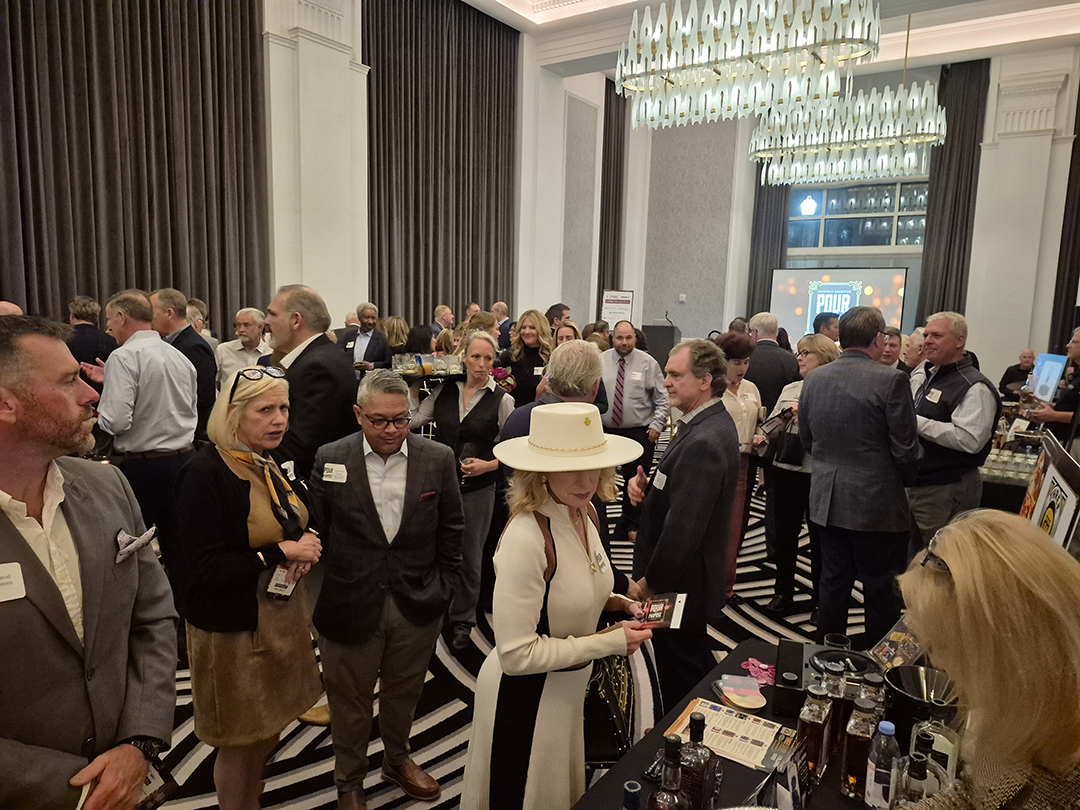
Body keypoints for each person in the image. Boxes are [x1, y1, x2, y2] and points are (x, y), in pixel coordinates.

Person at [0, 316, 177, 810]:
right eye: (67, 381)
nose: (91, 393)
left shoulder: (107, 485)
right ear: (5, 405)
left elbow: (152, 617)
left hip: (128, 771)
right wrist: (70, 787)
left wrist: (139, 743)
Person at [461, 402, 650, 810]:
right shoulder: (525, 538)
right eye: (569, 469)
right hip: (525, 700)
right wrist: (609, 641)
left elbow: (579, 588)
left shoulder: (585, 512)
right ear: (541, 471)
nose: (585, 482)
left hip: (567, 689)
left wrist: (618, 604)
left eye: (594, 467)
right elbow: (516, 655)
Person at [310, 371, 464, 809]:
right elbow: (317, 528)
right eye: (379, 421)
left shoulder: (437, 458)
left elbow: (452, 528)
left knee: (404, 691)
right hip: (349, 601)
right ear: (359, 415)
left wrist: (444, 587)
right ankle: (349, 781)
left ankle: (396, 760)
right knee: (349, 701)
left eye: (401, 419)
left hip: (417, 600)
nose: (392, 430)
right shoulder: (331, 457)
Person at [174, 367, 323, 810]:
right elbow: (203, 568)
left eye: (284, 408)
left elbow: (298, 514)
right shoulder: (204, 472)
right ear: (234, 413)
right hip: (233, 629)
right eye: (265, 410)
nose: (279, 420)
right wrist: (281, 551)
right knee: (239, 740)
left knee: (269, 728)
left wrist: (307, 539)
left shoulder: (264, 458)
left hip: (279, 618)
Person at [898, 510, 1080, 809]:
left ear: (1001, 651)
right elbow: (977, 795)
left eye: (940, 645)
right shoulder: (1012, 702)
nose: (937, 663)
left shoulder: (1068, 776)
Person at [799, 306, 922, 644]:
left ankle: (825, 656)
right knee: (880, 588)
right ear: (878, 339)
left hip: (826, 499)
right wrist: (905, 480)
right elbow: (906, 449)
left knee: (832, 583)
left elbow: (807, 439)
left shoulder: (815, 378)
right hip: (877, 503)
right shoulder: (892, 380)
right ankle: (876, 664)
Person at [630, 339, 740, 710]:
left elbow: (683, 531)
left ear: (705, 380)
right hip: (685, 580)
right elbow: (684, 496)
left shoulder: (704, 440)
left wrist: (649, 584)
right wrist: (649, 491)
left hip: (679, 584)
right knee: (687, 661)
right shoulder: (705, 422)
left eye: (676, 376)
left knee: (682, 674)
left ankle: (687, 734)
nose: (666, 383)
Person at [80, 290, 198, 591]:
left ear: (122, 317)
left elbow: (117, 422)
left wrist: (94, 414)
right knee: (180, 552)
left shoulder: (124, 356)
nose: (108, 328)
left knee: (128, 550)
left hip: (144, 469)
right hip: (185, 461)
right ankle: (182, 615)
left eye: (109, 320)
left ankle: (137, 611)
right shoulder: (179, 356)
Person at [410, 331, 513, 651]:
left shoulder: (502, 399)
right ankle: (436, 606)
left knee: (470, 555)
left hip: (479, 488)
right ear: (463, 357)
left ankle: (463, 619)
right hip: (441, 484)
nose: (481, 364)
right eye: (476, 357)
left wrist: (487, 465)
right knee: (434, 547)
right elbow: (413, 422)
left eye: (488, 358)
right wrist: (413, 386)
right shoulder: (444, 389)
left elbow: (513, 450)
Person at [908, 312, 1000, 557]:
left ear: (960, 341)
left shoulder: (974, 386)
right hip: (916, 485)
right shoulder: (929, 374)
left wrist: (914, 422)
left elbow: (970, 440)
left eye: (936, 336)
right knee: (914, 560)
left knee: (942, 559)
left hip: (947, 488)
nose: (927, 341)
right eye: (926, 335)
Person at [763, 334, 840, 614]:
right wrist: (783, 419)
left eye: (806, 353)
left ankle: (821, 599)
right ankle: (783, 591)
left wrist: (807, 416)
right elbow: (771, 426)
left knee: (820, 540)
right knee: (785, 535)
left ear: (825, 357)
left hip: (820, 472)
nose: (799, 358)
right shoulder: (791, 388)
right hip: (787, 469)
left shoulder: (836, 389)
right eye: (799, 352)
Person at [262, 284, 358, 481]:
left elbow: (303, 443)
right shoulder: (322, 356)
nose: (266, 321)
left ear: (296, 320)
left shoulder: (317, 367)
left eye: (272, 314)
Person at [601, 320, 669, 542]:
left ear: (635, 339)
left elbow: (663, 398)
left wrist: (657, 425)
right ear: (612, 338)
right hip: (605, 432)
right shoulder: (600, 361)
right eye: (619, 338)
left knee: (636, 480)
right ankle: (598, 524)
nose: (624, 342)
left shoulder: (648, 363)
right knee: (601, 481)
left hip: (639, 433)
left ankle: (632, 524)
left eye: (628, 338)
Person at [715, 330, 765, 601]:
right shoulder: (711, 389)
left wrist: (760, 436)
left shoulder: (751, 388)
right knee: (712, 525)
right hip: (714, 463)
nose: (742, 368)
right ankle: (708, 585)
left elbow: (759, 422)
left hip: (743, 465)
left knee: (734, 528)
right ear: (722, 361)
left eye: (746, 362)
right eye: (736, 362)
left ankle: (726, 587)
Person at [150, 287, 217, 441]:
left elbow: (204, 398)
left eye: (151, 312)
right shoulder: (169, 343)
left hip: (190, 436)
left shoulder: (194, 347)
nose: (148, 319)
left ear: (169, 313)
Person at [1028, 328, 1080, 443]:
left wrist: (1054, 415)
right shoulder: (1077, 375)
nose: (1067, 346)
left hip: (1075, 441)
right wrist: (1046, 405)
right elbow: (1074, 406)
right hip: (1062, 438)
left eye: (1074, 342)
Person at [496, 308, 552, 408]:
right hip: (517, 411)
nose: (526, 332)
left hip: (545, 411)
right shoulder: (511, 354)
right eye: (523, 327)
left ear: (541, 329)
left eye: (532, 328)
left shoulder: (552, 356)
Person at [67, 295, 117, 393]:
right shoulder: (112, 340)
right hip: (103, 395)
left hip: (72, 394)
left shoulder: (61, 340)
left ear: (72, 315)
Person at [215, 307, 272, 388]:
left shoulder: (271, 353)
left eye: (246, 326)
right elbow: (213, 382)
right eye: (238, 325)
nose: (241, 330)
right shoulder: (223, 350)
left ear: (260, 328)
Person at [340, 302, 391, 378]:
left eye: (373, 318)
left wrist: (371, 366)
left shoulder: (382, 338)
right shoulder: (349, 336)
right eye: (367, 318)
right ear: (359, 318)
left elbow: (388, 363)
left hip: (371, 381)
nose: (370, 321)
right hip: (350, 380)